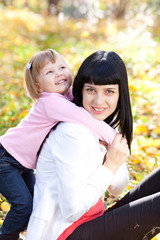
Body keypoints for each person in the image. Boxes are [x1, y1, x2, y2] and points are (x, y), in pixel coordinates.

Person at [26, 50, 160, 240]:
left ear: (120, 94)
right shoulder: (72, 134)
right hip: (64, 234)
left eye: (109, 91)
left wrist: (111, 161)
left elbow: (117, 189)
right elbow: (72, 211)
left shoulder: (100, 128)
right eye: (91, 90)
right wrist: (110, 165)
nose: (98, 101)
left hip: (90, 223)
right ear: (80, 90)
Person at [0, 49, 117, 240]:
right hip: (6, 159)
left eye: (62, 67)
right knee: (23, 206)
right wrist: (115, 140)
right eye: (50, 72)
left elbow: (88, 109)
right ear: (39, 87)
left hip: (21, 161)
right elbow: (84, 118)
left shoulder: (64, 96)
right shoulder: (51, 102)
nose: (59, 73)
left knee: (35, 204)